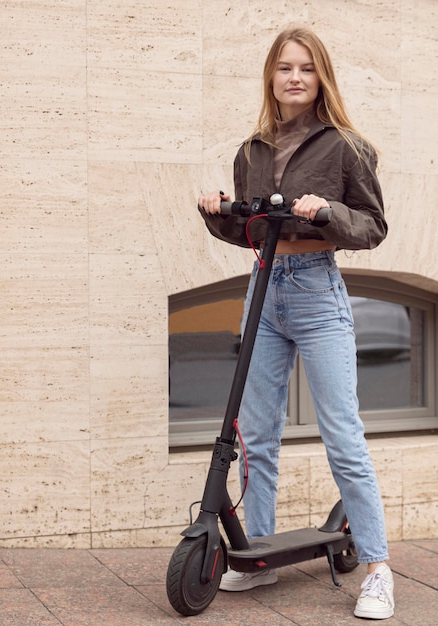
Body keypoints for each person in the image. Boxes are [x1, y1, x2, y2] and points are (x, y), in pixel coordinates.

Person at [198, 27, 394, 620]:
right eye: (284, 68)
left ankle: (378, 569)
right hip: (264, 287)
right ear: (271, 77)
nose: (294, 78)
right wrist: (217, 213)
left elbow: (372, 226)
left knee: (343, 434)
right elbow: (251, 231)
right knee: (255, 432)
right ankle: (257, 557)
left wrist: (327, 211)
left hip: (316, 292)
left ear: (320, 77)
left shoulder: (345, 147)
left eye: (306, 69)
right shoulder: (252, 149)